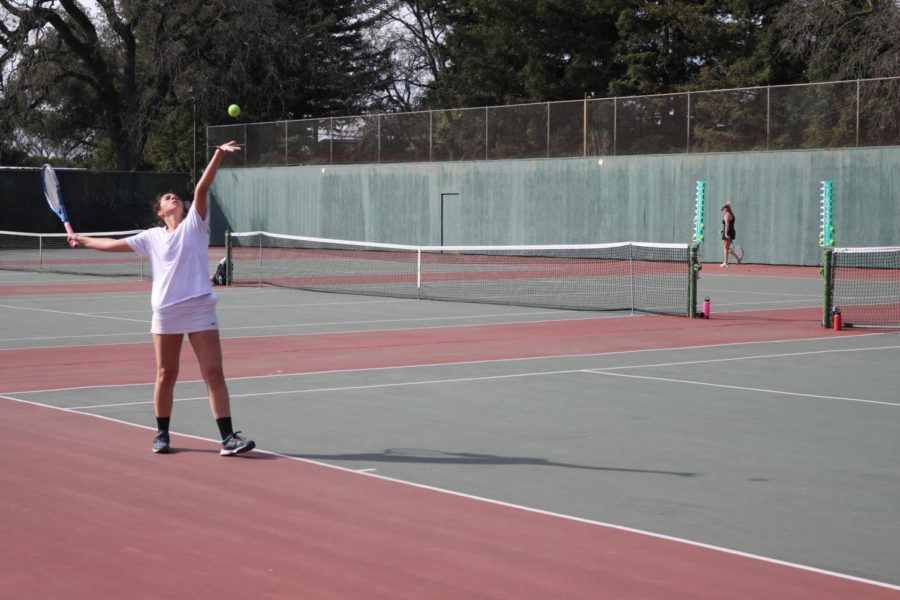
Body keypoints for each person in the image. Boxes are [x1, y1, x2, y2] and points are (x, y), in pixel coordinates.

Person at [69, 141, 255, 456]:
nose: (173, 197)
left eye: (175, 196)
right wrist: (82, 240)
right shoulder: (151, 237)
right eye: (167, 198)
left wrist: (218, 154)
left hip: (199, 308)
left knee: (213, 371)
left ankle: (227, 439)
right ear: (160, 212)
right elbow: (113, 244)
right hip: (166, 312)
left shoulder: (196, 224)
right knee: (166, 373)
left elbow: (201, 188)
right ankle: (162, 434)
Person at [720, 202, 741, 267]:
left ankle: (725, 263)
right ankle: (737, 256)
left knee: (725, 248)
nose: (722, 211)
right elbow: (729, 225)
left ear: (726, 209)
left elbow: (727, 225)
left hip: (728, 232)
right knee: (726, 248)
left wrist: (726, 234)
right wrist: (723, 230)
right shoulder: (730, 214)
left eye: (723, 210)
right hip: (730, 231)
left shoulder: (727, 215)